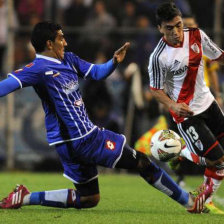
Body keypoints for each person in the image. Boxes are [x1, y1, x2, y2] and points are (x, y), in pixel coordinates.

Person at [0, 21, 212, 213]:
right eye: (60, 38)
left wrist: (113, 62)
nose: (65, 42)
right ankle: (190, 202)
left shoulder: (69, 60)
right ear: (49, 43)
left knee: (89, 198)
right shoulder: (37, 68)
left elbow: (97, 72)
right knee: (142, 162)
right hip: (83, 139)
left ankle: (26, 197)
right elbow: (7, 85)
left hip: (69, 143)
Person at [148, 2, 224, 214]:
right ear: (160, 29)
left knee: (220, 161)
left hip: (209, 104)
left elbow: (219, 56)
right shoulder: (158, 57)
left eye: (179, 25)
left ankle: (202, 197)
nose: (176, 32)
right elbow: (155, 89)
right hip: (186, 115)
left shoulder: (197, 35)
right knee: (217, 159)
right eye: (169, 28)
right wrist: (173, 105)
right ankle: (179, 151)